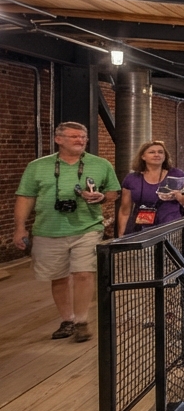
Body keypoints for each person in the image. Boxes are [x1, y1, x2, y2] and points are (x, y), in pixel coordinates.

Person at [12, 122, 121, 342]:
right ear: (58, 139)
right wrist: (19, 227)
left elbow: (113, 192)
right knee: (58, 277)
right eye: (74, 137)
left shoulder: (100, 164)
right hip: (48, 229)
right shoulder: (37, 166)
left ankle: (81, 321)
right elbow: (25, 197)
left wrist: (101, 197)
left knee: (84, 273)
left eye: (83, 137)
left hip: (87, 227)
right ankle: (67, 319)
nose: (80, 140)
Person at [117, 140, 184, 237]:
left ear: (165, 156)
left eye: (160, 152)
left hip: (171, 228)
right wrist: (121, 234)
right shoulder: (131, 179)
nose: (157, 155)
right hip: (141, 229)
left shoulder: (177, 174)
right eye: (152, 152)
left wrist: (179, 197)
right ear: (143, 156)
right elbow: (125, 210)